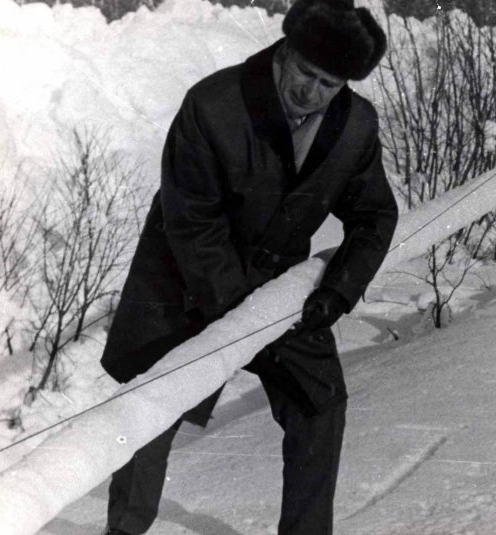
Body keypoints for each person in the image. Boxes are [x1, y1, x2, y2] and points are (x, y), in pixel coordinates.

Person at [99, 0, 397, 533]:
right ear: (286, 51)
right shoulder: (213, 105)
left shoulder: (354, 126)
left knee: (320, 406)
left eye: (329, 83)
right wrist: (244, 317)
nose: (312, 91)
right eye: (306, 72)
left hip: (276, 292)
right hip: (181, 284)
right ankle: (124, 529)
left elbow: (375, 214)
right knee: (147, 416)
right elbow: (192, 224)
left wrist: (338, 290)